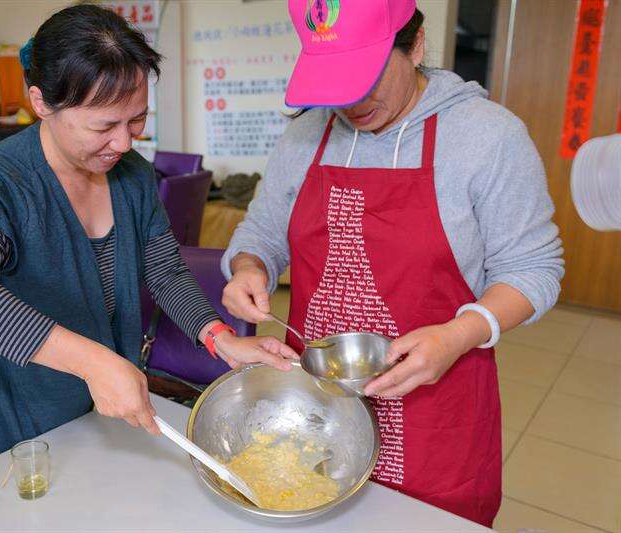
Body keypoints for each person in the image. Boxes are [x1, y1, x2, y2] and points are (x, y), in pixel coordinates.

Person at [220, 0, 564, 526]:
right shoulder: (306, 132)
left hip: (435, 412)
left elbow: (533, 269)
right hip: (315, 405)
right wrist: (250, 267)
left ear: (416, 45)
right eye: (335, 81)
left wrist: (459, 334)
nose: (351, 102)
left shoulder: (488, 137)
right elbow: (262, 232)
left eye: (366, 75)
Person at [0, 4, 297, 467]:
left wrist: (219, 336)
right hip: (12, 410)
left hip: (91, 410)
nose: (124, 143)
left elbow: (164, 271)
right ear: (41, 103)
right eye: (103, 125)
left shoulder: (131, 175)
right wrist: (93, 361)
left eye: (136, 119)